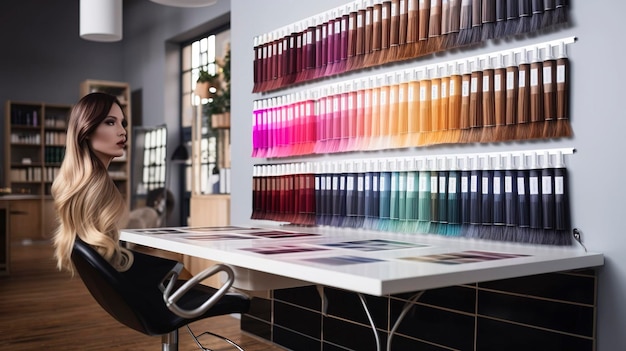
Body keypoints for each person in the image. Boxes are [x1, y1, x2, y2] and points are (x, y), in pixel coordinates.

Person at [52, 92, 134, 273]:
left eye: (123, 123)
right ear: (86, 130)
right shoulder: (96, 188)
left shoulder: (83, 183)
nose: (123, 131)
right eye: (110, 122)